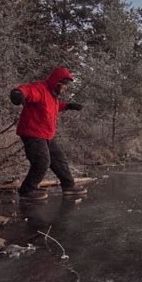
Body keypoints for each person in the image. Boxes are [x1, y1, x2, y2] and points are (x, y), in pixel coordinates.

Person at [10, 67, 87, 200]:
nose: (66, 88)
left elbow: (52, 107)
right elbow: (26, 91)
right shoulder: (40, 88)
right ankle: (27, 191)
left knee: (59, 159)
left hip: (46, 135)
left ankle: (68, 186)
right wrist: (18, 93)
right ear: (57, 82)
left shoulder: (53, 94)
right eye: (65, 85)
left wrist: (68, 106)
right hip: (32, 133)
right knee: (42, 161)